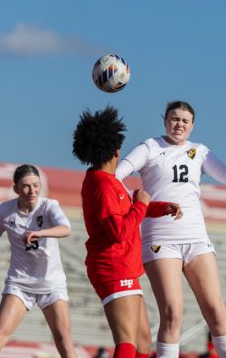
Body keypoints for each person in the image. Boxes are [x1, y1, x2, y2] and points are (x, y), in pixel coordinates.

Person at [115, 101, 226, 358]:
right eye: (174, 119)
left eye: (185, 121)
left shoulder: (199, 151)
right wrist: (140, 198)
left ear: (193, 126)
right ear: (165, 121)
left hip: (196, 238)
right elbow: (115, 179)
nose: (179, 125)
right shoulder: (150, 147)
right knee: (173, 313)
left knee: (216, 310)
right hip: (161, 240)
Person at [72, 106, 182, 358]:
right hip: (113, 267)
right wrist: (143, 204)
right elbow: (118, 230)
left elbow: (128, 206)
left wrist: (159, 207)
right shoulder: (103, 185)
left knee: (143, 343)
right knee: (127, 342)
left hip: (124, 267)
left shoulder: (105, 181)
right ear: (116, 150)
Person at [0, 164, 77, 358]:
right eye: (26, 186)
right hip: (20, 283)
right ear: (15, 189)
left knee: (64, 342)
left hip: (51, 283)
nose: (32, 191)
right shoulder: (5, 211)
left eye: (36, 185)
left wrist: (41, 233)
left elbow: (66, 228)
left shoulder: (49, 206)